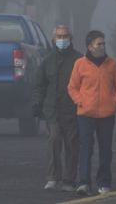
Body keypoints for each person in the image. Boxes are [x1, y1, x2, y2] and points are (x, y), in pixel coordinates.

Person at [68, 30, 116, 195]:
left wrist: (115, 102)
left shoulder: (111, 64)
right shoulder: (80, 64)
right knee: (85, 148)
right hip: (85, 114)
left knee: (105, 150)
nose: (102, 46)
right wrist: (80, 101)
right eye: (98, 44)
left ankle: (104, 183)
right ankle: (84, 182)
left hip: (107, 114)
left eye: (103, 43)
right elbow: (72, 87)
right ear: (90, 46)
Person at [32, 25, 82, 192]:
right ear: (54, 39)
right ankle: (53, 178)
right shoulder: (47, 60)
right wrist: (37, 103)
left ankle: (69, 179)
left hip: (73, 110)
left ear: (71, 38)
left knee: (72, 145)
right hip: (52, 110)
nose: (62, 40)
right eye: (59, 37)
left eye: (65, 36)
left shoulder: (79, 60)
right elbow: (39, 85)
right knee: (53, 141)